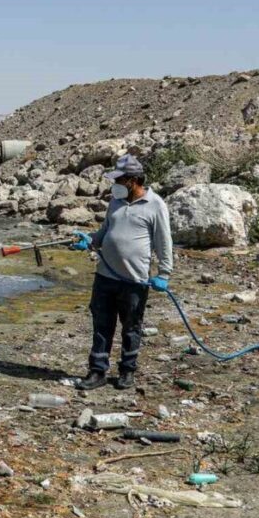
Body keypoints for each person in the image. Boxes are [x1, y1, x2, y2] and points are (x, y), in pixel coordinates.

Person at [70, 154, 173, 390]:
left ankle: (127, 370)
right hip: (105, 276)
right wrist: (91, 241)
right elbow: (106, 230)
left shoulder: (155, 205)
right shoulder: (115, 202)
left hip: (134, 280)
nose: (114, 185)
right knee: (102, 325)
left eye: (119, 180)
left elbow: (164, 242)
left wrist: (164, 274)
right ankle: (97, 372)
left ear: (133, 180)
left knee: (132, 326)